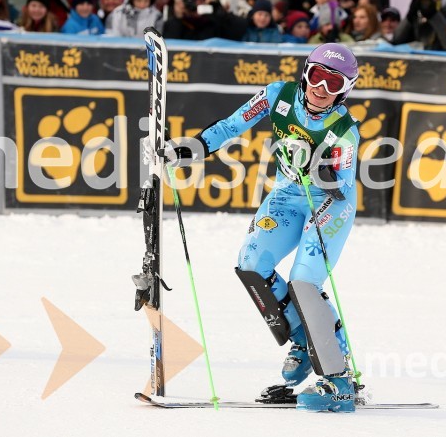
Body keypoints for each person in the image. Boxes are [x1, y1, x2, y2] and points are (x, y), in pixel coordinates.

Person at [149, 43, 362, 412]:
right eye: (316, 77)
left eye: (333, 83)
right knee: (251, 263)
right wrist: (189, 150)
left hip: (328, 204)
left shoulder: (344, 130)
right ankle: (303, 338)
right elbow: (232, 125)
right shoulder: (277, 95)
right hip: (285, 195)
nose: (320, 89)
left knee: (304, 280)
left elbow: (342, 186)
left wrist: (321, 172)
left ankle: (339, 381)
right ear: (305, 73)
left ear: (345, 90)